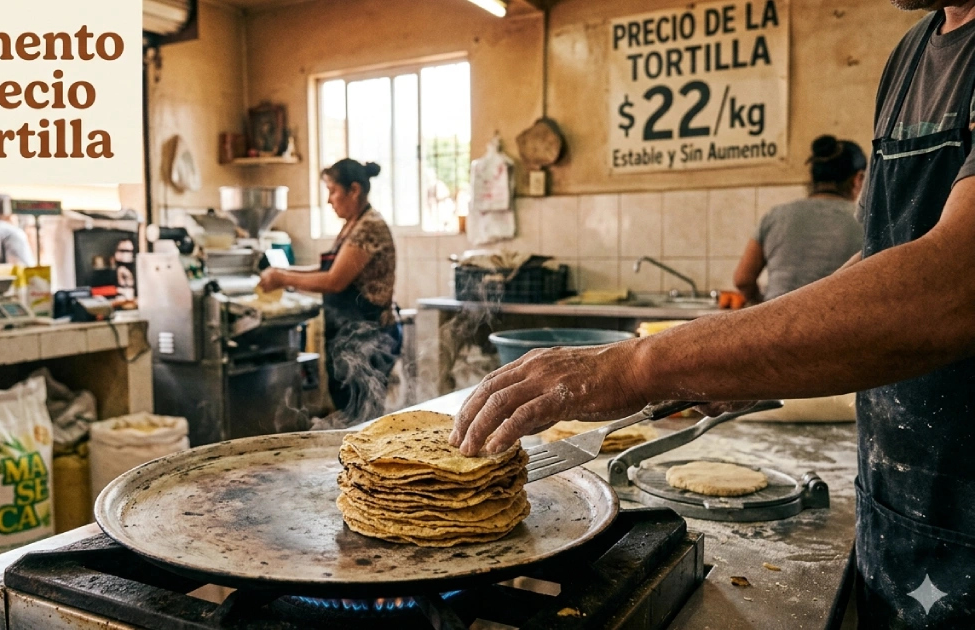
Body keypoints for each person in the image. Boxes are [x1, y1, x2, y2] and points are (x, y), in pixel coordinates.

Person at [450, 4, 975, 626]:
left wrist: (642, 365)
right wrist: (741, 361)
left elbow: (954, 282)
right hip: (903, 498)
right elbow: (887, 258)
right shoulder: (914, 51)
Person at [258, 159, 400, 428]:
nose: (329, 200)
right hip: (351, 335)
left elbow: (335, 280)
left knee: (362, 419)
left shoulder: (370, 226)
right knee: (352, 416)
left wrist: (283, 277)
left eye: (333, 190)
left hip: (369, 338)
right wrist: (283, 275)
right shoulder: (353, 224)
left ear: (354, 190)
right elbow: (328, 268)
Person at [734, 136, 866, 303]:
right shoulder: (866, 221)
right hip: (840, 324)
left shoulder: (776, 216)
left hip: (777, 321)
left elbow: (742, 280)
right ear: (858, 179)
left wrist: (760, 305)